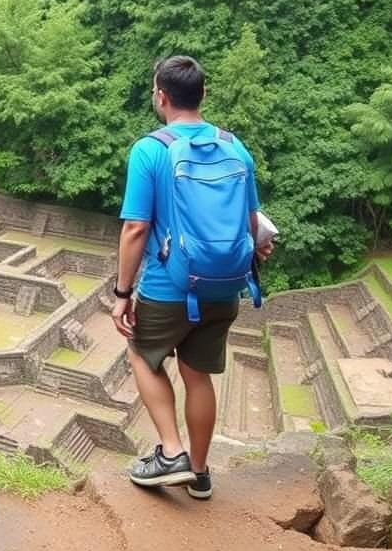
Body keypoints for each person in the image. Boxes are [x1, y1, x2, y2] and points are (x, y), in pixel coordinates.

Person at [112, 56, 273, 500]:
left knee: (143, 356)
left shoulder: (150, 149)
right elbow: (252, 219)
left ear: (160, 96)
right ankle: (199, 474)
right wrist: (256, 244)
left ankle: (171, 452)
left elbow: (136, 228)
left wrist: (122, 293)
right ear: (202, 95)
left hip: (170, 285)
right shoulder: (235, 147)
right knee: (198, 373)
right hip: (224, 285)